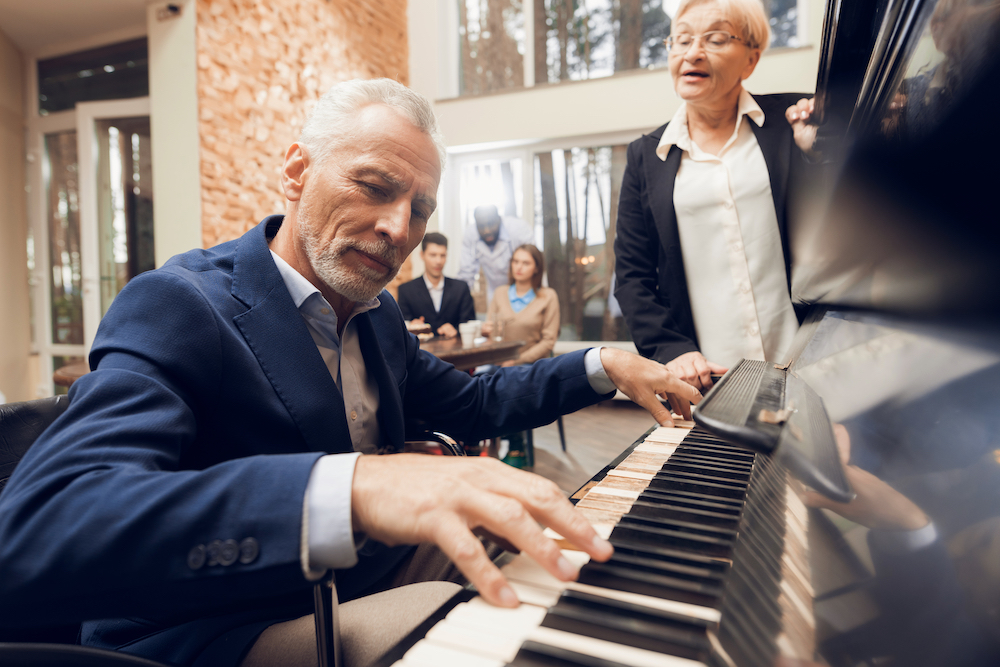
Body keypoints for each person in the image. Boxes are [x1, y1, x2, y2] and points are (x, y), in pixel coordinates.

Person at [0, 79, 701, 667]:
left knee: (555, 537)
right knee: (474, 623)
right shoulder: (181, 302)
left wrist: (602, 363)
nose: (399, 228)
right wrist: (352, 484)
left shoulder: (376, 315)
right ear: (297, 171)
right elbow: (36, 525)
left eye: (419, 209)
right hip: (217, 626)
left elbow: (474, 399)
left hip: (358, 574)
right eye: (373, 187)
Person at [613, 0, 818, 392]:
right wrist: (671, 348)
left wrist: (821, 153)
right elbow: (632, 277)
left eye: (716, 39)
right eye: (682, 39)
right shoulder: (646, 156)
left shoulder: (796, 121)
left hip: (811, 365)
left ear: (750, 59)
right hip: (713, 380)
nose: (693, 52)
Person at [484, 244, 559, 368]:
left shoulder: (548, 296)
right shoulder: (500, 292)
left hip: (532, 365)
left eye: (526, 263)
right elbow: (492, 331)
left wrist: (516, 361)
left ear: (536, 268)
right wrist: (485, 332)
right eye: (515, 261)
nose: (519, 267)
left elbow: (548, 342)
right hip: (498, 364)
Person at [396, 232, 474, 338]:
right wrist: (412, 325)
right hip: (421, 352)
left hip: (456, 350)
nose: (438, 261)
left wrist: (456, 330)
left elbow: (471, 324)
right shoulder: (406, 290)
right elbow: (400, 328)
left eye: (442, 255)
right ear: (422, 255)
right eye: (433, 255)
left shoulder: (461, 288)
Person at [457, 204, 533, 306]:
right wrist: (457, 303)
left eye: (491, 224)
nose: (486, 230)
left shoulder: (518, 229)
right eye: (481, 226)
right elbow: (466, 273)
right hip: (494, 292)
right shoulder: (470, 234)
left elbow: (532, 262)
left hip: (526, 290)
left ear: (499, 219)